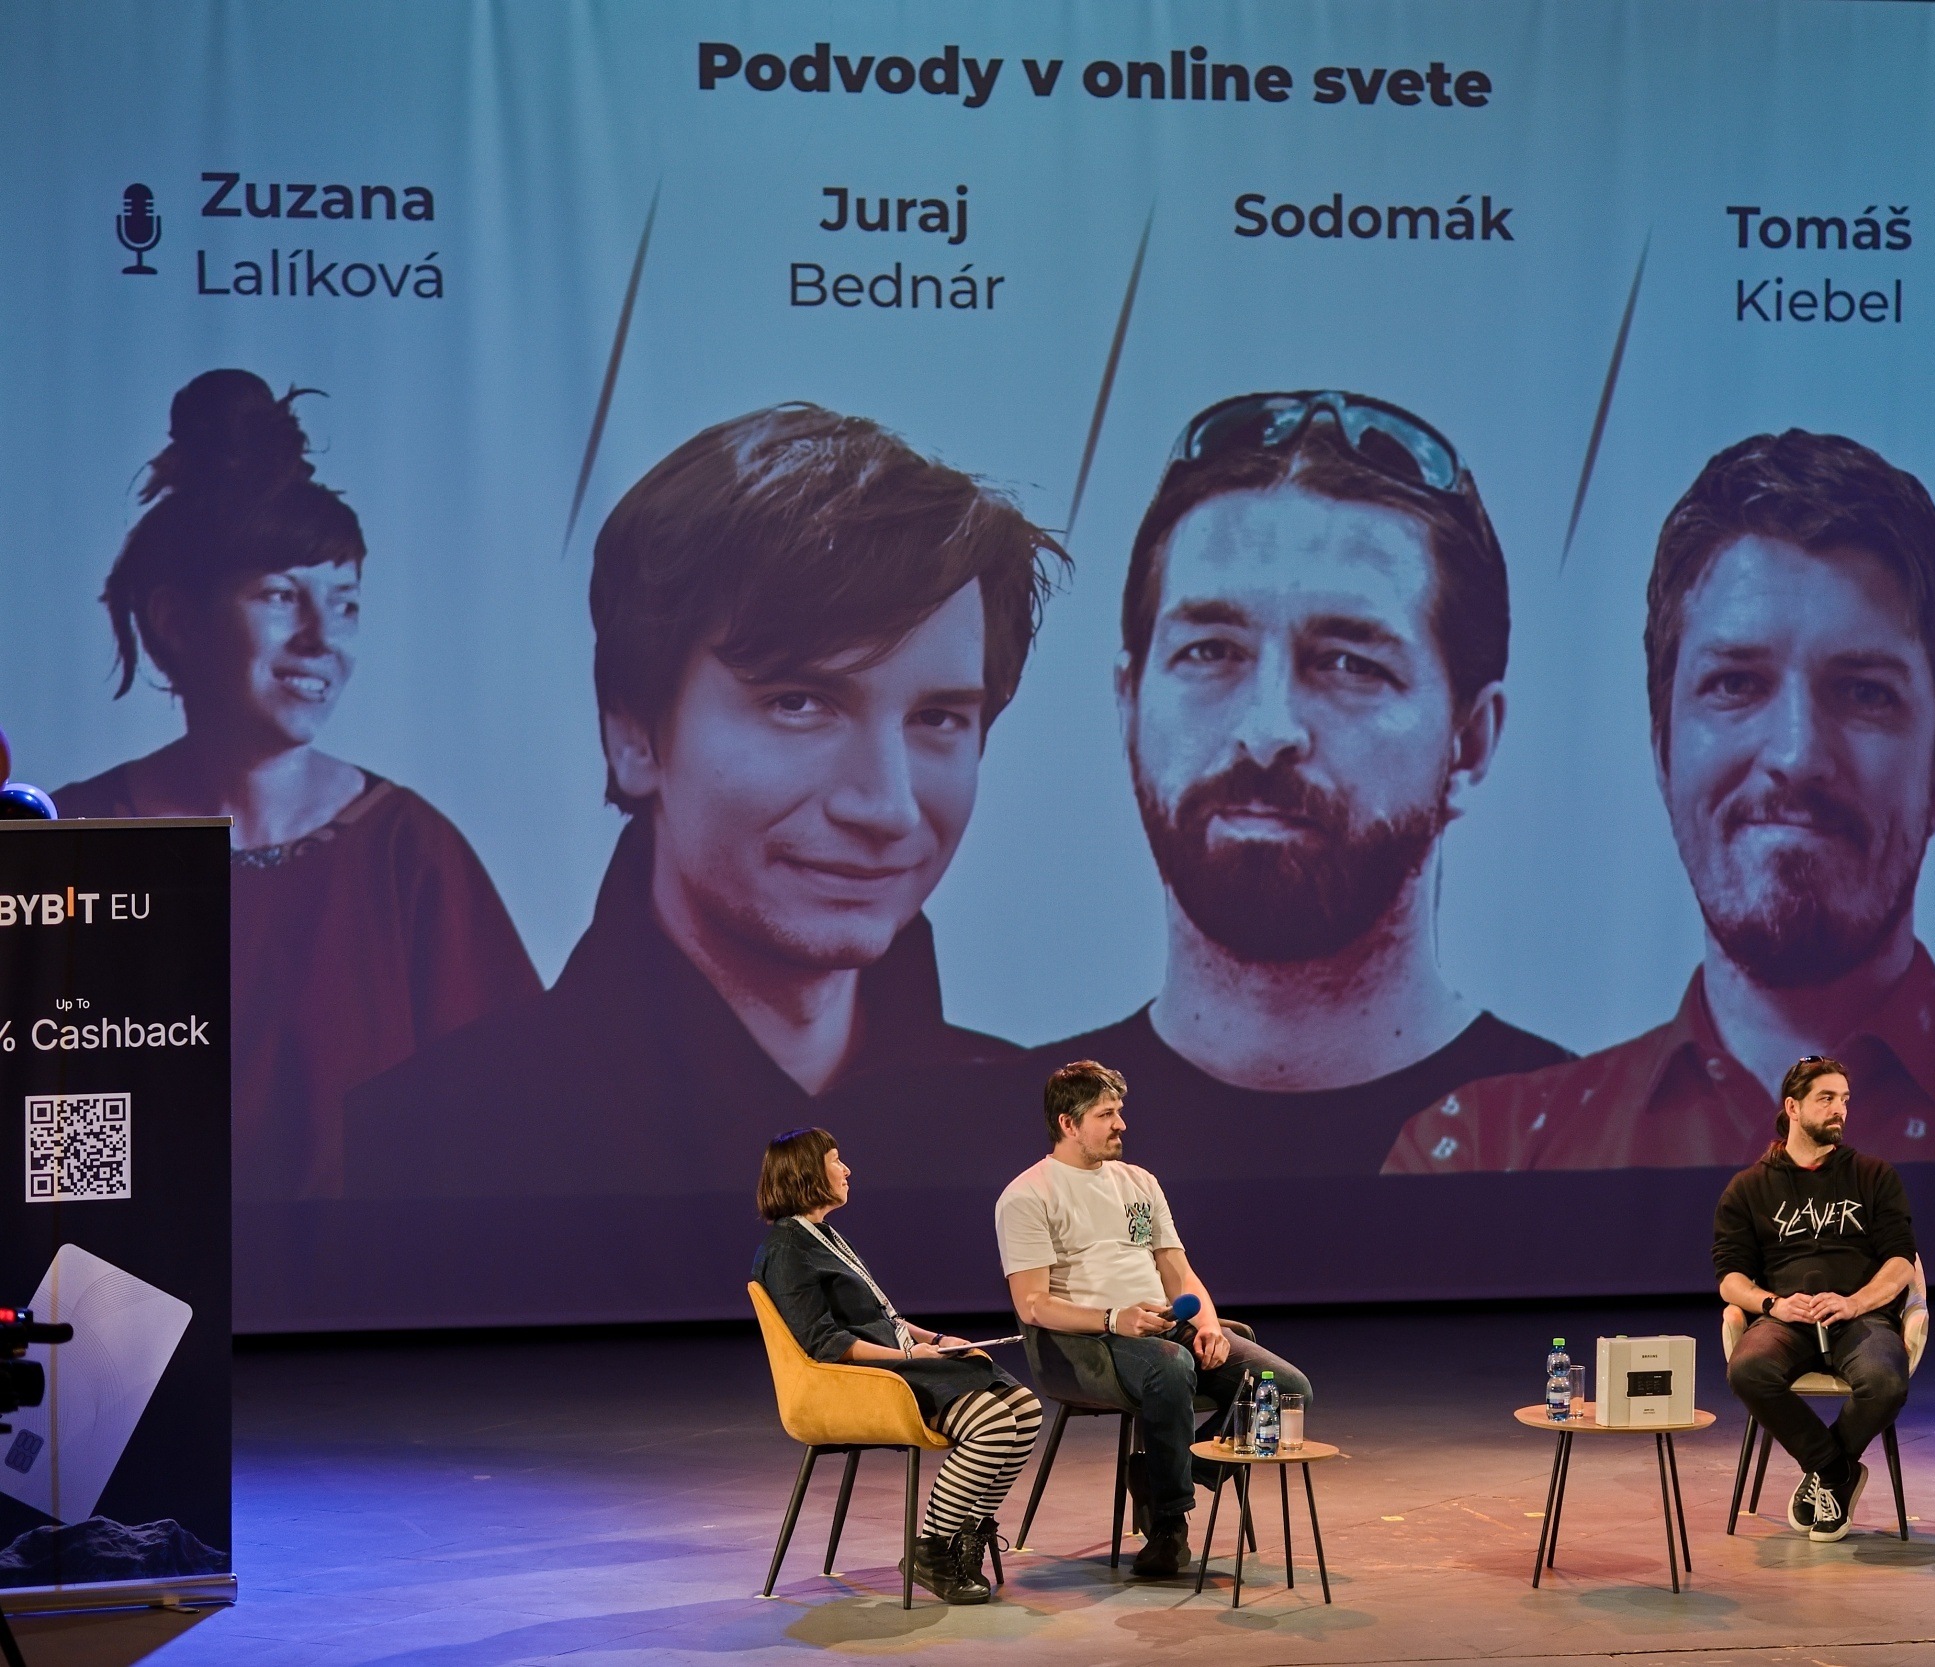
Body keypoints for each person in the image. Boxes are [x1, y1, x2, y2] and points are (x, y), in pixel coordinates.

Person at [344, 405, 1064, 1199]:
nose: (887, 806)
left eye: (937, 718)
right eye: (799, 703)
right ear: (635, 733)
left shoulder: (1047, 1144)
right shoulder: (429, 1143)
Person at [919, 391, 1566, 1179]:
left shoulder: (1591, 1151)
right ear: (1129, 705)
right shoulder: (957, 1157)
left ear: (1471, 743)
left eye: (1350, 663)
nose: (1267, 729)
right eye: (1210, 651)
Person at [1387, 428, 1935, 1173]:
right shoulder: (1484, 1153)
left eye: (1866, 693)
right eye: (1736, 683)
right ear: (1664, 750)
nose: (1797, 755)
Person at [51, 369, 538, 1202]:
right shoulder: (74, 839)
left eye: (345, 605)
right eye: (281, 595)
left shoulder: (408, 853)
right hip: (127, 1276)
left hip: (369, 1283)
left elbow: (509, 1135)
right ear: (174, 619)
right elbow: (49, 1128)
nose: (322, 640)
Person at [995, 1061, 1314, 1580]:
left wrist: (1208, 1325)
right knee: (1170, 1367)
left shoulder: (1140, 1182)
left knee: (1284, 1387)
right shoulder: (1028, 1195)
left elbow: (1178, 1271)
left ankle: (1177, 1469)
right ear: (1068, 1123)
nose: (1121, 1124)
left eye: (1119, 1111)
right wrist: (1112, 1318)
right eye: (1106, 1114)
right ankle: (1169, 1524)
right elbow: (1032, 1304)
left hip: (1161, 1326)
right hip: (1087, 1342)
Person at [752, 1127, 1042, 1604]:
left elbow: (883, 1318)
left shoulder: (822, 1235)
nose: (846, 1169)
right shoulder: (786, 1250)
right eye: (835, 1160)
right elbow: (827, 1344)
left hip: (897, 1364)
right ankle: (931, 1548)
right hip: (864, 1381)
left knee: (1025, 1410)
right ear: (806, 1173)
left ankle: (966, 1534)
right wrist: (907, 1357)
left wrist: (937, 1341)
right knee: (992, 1422)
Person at [1711, 1057, 1918, 1541]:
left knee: (1886, 1382)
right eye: (1826, 1098)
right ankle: (1836, 1471)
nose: (1839, 1109)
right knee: (1748, 1371)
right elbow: (1730, 1277)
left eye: (1844, 1099)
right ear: (1793, 1107)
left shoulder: (1874, 1175)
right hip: (1787, 1319)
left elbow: (1901, 1261)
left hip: (1860, 1316)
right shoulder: (1749, 1187)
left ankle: (1826, 1474)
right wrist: (1772, 1305)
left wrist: (1856, 1302)